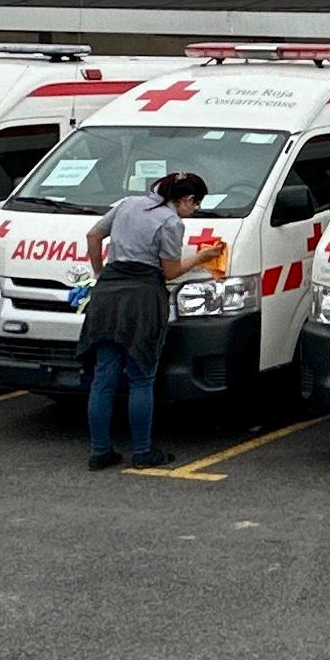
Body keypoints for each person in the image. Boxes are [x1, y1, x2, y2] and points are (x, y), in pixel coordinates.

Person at [79, 169, 218, 471]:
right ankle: (142, 452)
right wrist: (201, 258)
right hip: (142, 297)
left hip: (106, 295)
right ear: (186, 199)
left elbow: (93, 235)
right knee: (141, 376)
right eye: (196, 204)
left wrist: (100, 272)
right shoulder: (171, 222)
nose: (195, 210)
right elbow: (170, 271)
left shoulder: (127, 203)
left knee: (103, 378)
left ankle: (100, 452)